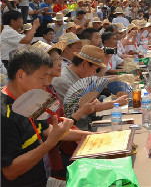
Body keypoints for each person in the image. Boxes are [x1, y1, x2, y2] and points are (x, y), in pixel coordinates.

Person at [1, 47, 89, 187]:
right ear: (21, 76)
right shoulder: (4, 115)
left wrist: (91, 136)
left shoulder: (30, 99)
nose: (47, 83)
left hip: (44, 179)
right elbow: (10, 172)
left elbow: (49, 131)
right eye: (42, 77)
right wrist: (49, 143)